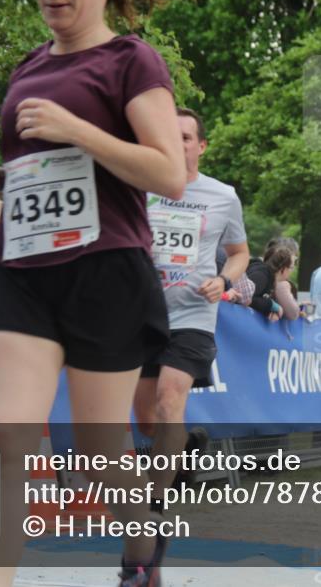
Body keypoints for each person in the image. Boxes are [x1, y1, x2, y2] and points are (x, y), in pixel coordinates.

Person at [0, 0, 190, 586]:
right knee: (6, 442)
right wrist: (1, 178)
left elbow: (168, 173)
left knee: (96, 457)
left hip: (105, 272)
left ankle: (144, 543)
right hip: (22, 270)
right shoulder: (29, 66)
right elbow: (47, 165)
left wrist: (77, 130)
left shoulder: (132, 61)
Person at [133, 106, 249, 506]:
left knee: (169, 400)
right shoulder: (139, 187)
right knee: (148, 418)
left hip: (194, 313)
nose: (176, 143)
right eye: (169, 135)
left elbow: (239, 252)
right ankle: (186, 445)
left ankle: (155, 504)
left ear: (201, 146)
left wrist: (224, 280)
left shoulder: (222, 197)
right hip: (142, 313)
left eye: (185, 137)